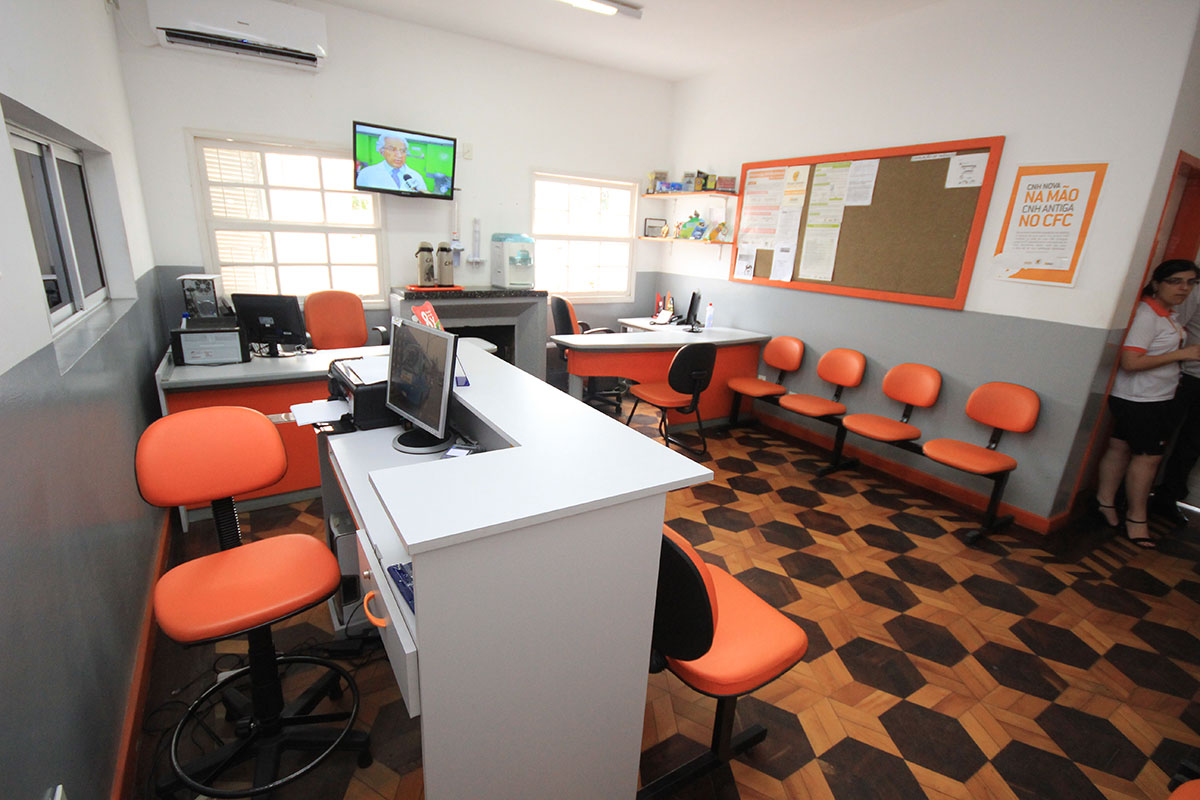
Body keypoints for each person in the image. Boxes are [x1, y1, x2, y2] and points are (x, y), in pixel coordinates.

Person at [1096, 259, 1200, 547]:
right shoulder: (1147, 314)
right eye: (1175, 281)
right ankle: (1136, 518)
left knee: (1120, 447)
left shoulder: (1168, 314)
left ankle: (1104, 503)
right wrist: (1182, 355)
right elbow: (1130, 362)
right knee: (1148, 458)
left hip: (1153, 395)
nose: (1184, 288)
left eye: (1190, 283)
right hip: (1140, 398)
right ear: (1157, 283)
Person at [1151, 274, 1200, 525]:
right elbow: (1178, 327)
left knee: (1193, 444)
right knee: (1158, 436)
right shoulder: (1195, 291)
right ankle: (1131, 494)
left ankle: (1168, 497)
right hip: (1187, 376)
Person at [355, 136, 427, 193]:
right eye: (392, 149)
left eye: (403, 150)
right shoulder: (366, 173)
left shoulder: (417, 177)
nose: (399, 155)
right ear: (381, 151)